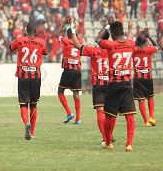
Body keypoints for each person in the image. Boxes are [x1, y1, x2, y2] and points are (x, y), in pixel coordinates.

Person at [95, 17, 135, 152]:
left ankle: (108, 142)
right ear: (123, 32)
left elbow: (97, 39)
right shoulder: (131, 44)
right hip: (127, 84)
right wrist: (129, 29)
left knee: (109, 115)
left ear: (112, 34)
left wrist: (107, 26)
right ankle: (129, 144)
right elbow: (127, 40)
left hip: (113, 84)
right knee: (129, 115)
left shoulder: (110, 45)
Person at [70, 17, 111, 145]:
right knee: (110, 112)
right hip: (111, 84)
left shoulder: (94, 51)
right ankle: (110, 135)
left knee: (100, 110)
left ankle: (105, 138)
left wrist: (72, 27)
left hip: (98, 83)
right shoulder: (113, 50)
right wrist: (111, 25)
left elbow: (76, 44)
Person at [9, 22, 48, 140]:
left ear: (26, 31)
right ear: (35, 31)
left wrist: (20, 38)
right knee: (34, 104)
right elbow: (45, 52)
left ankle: (26, 123)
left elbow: (10, 47)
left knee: (23, 103)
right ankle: (32, 132)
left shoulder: (19, 40)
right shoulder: (41, 42)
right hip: (36, 76)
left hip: (23, 75)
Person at [56, 15, 83, 124]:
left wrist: (63, 23)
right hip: (78, 70)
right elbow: (75, 33)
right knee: (76, 94)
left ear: (67, 35)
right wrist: (72, 24)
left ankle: (69, 113)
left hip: (68, 70)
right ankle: (78, 119)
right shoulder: (80, 41)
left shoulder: (66, 41)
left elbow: (57, 34)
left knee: (60, 91)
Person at [133, 28, 159, 127]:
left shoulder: (133, 50)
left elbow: (135, 44)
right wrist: (148, 36)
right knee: (150, 97)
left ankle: (146, 121)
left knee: (140, 100)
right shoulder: (149, 50)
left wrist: (140, 38)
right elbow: (157, 46)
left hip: (137, 77)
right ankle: (152, 117)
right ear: (146, 42)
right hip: (148, 76)